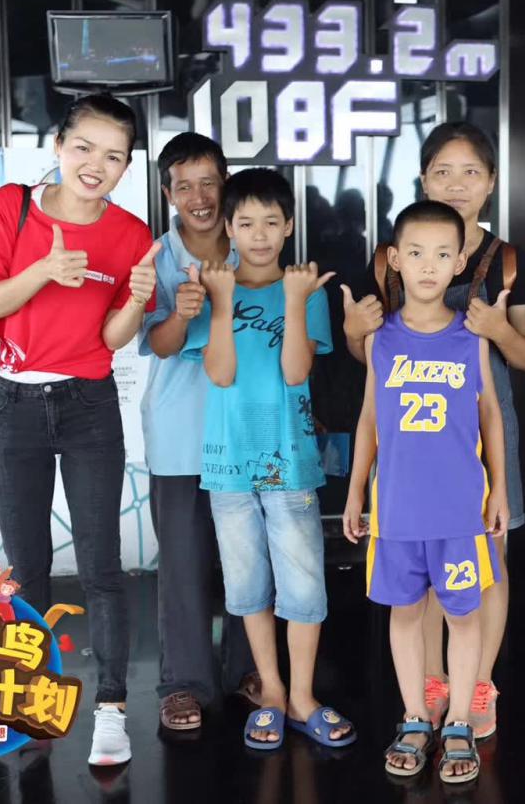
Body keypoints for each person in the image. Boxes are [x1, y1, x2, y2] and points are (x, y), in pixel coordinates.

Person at [0, 93, 157, 767]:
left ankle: (111, 709)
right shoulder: (10, 208)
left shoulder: (131, 234)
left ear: (127, 165)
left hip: (88, 404)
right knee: (26, 566)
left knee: (102, 565)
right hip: (11, 402)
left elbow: (114, 337)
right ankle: (31, 700)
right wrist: (44, 270)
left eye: (114, 156)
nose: (96, 165)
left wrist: (136, 299)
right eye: (84, 148)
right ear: (57, 147)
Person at [342, 122, 525, 739]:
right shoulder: (390, 260)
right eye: (443, 172)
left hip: (474, 435)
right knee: (418, 579)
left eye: (470, 172)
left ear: (491, 182)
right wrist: (352, 331)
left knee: (486, 564)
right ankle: (432, 684)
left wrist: (496, 329)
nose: (457, 184)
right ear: (423, 179)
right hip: (409, 446)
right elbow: (372, 369)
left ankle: (476, 686)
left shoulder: (505, 260)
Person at [186, 168, 355, 752]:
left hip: (291, 462)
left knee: (303, 584)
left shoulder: (306, 291)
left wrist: (294, 300)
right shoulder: (214, 287)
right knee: (247, 584)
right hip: (229, 463)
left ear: (288, 227)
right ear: (229, 228)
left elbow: (296, 372)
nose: (258, 235)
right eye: (246, 222)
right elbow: (220, 373)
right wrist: (222, 300)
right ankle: (273, 691)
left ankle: (303, 696)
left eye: (270, 222)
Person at [342, 200, 510, 784]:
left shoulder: (471, 337)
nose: (429, 265)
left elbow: (490, 414)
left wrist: (500, 491)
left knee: (463, 616)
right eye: (416, 253)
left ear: (460, 262)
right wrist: (356, 492)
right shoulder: (381, 340)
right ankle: (416, 716)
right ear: (395, 260)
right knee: (406, 613)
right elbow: (369, 418)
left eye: (443, 254)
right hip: (397, 511)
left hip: (460, 510)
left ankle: (458, 720)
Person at [138, 132, 257, 733]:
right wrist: (182, 315)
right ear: (168, 194)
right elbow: (156, 345)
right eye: (184, 187)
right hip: (179, 434)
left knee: (250, 561)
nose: (199, 197)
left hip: (248, 431)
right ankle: (183, 683)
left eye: (208, 182)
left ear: (225, 182)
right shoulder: (156, 257)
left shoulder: (253, 243)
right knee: (182, 567)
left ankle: (250, 672)